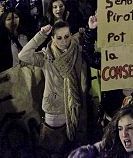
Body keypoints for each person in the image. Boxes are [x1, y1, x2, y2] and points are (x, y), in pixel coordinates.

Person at [18, 21, 89, 155]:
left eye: (67, 36)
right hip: (54, 111)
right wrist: (41, 34)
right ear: (53, 39)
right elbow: (23, 55)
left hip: (74, 108)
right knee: (52, 151)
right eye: (59, 37)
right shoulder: (46, 56)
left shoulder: (77, 52)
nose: (64, 41)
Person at [69, 103, 133, 158]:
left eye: (130, 128)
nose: (124, 134)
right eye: (120, 129)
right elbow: (80, 154)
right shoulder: (111, 146)